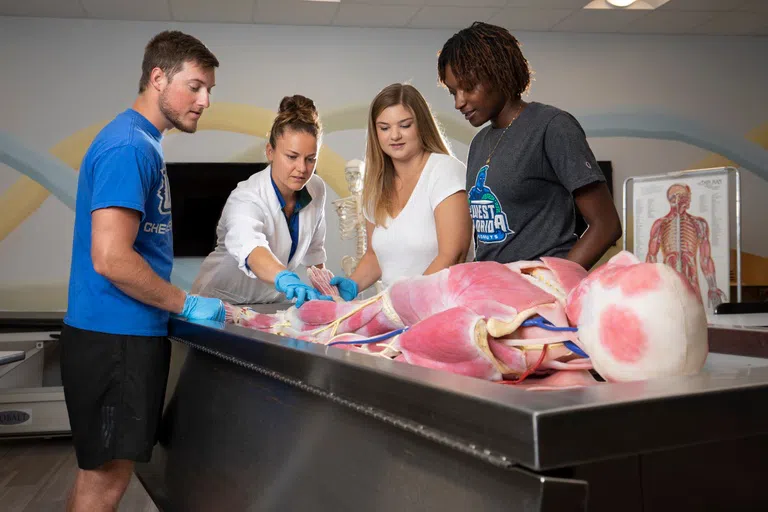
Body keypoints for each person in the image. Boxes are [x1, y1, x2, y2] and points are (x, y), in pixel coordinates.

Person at [60, 31, 224, 512]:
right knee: (106, 482)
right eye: (195, 86)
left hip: (120, 337)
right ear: (158, 77)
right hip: (115, 338)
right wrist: (186, 303)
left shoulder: (143, 143)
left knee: (100, 476)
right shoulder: (129, 146)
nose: (205, 100)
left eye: (209, 90)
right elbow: (111, 257)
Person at [438, 22, 622, 270]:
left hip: (542, 296)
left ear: (500, 73)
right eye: (453, 92)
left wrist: (553, 283)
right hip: (496, 292)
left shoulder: (552, 126)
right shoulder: (479, 143)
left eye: (469, 88)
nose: (459, 102)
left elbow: (606, 225)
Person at [330, 83, 472, 301]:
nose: (394, 135)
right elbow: (374, 257)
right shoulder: (376, 185)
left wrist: (408, 301)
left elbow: (452, 255)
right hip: (394, 313)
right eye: (384, 128)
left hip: (441, 307)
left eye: (404, 125)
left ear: (421, 125)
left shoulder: (444, 171)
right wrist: (350, 286)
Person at [191, 95, 332, 307]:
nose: (302, 168)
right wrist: (285, 278)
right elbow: (252, 248)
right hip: (221, 304)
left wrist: (327, 292)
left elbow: (314, 252)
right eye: (292, 157)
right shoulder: (246, 197)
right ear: (270, 152)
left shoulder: (316, 188)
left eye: (310, 159)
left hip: (271, 304)